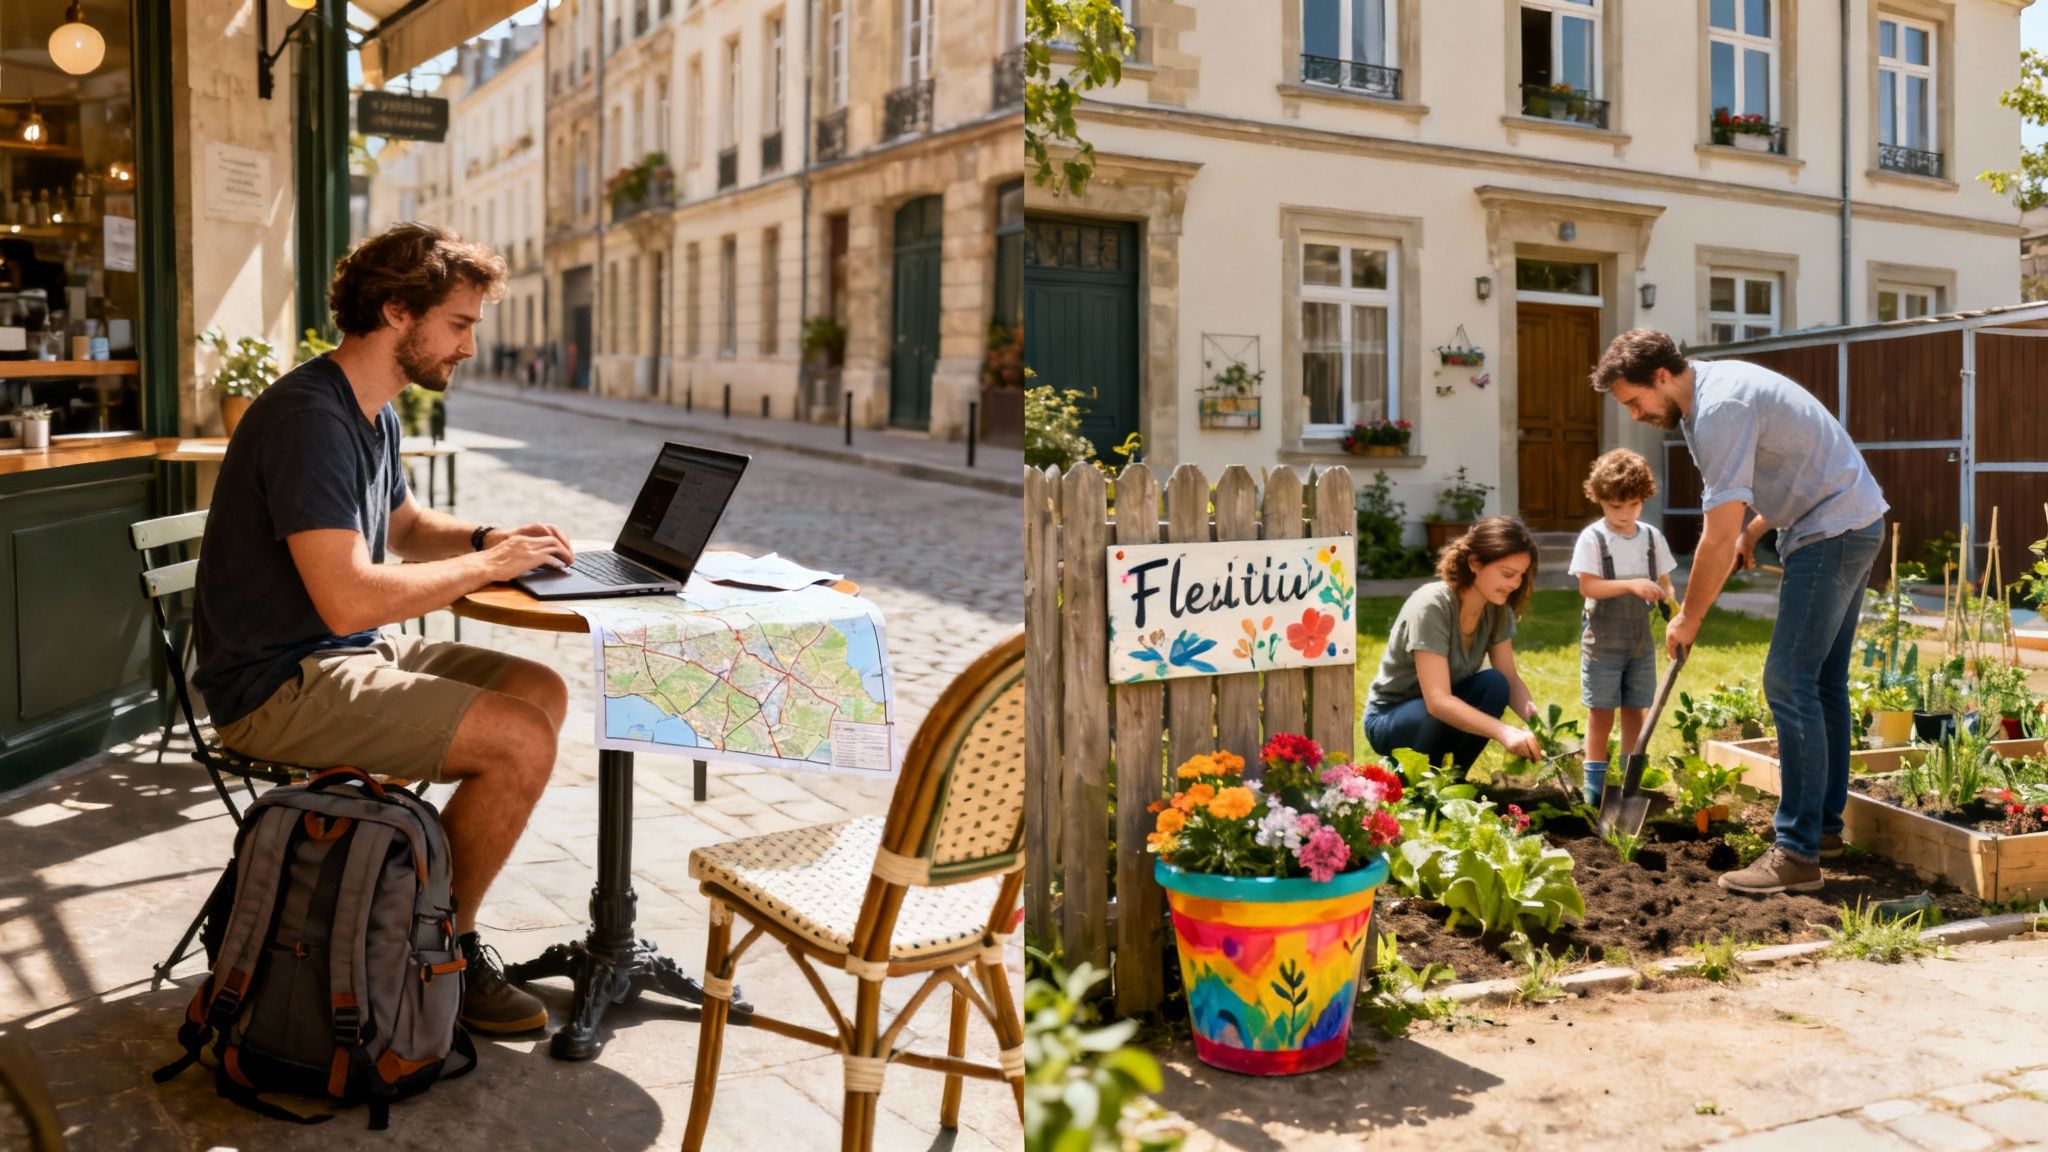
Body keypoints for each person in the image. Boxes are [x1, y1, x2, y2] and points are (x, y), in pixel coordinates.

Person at [192, 222, 578, 1034]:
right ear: (399, 311)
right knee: (519, 739)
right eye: (460, 324)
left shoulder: (371, 410)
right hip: (279, 683)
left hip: (338, 655)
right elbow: (348, 600)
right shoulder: (310, 419)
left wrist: (487, 541)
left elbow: (401, 527)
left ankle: (403, 908)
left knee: (539, 686)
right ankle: (442, 949)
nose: (470, 346)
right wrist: (486, 569)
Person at [1593, 328, 1887, 897]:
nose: (1634, 415)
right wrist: (1760, 524)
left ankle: (1797, 854)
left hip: (1831, 530)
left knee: (1788, 680)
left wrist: (1690, 616)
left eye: (1634, 401)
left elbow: (1715, 534)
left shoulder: (1719, 407)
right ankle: (1822, 830)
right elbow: (1793, 462)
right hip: (1852, 517)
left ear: (1661, 376)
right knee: (1823, 682)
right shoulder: (1715, 387)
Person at [1363, 516, 1546, 771]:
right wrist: (1504, 732)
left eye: (1521, 576)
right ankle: (1412, 785)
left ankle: (1455, 781)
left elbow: (1510, 678)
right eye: (1507, 574)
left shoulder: (1496, 609)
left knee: (1495, 684)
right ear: (1474, 562)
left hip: (1438, 711)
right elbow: (1437, 701)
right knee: (1426, 712)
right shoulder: (1432, 604)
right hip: (1393, 717)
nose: (1515, 584)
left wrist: (1540, 727)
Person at [1569, 448, 1678, 805]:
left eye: (1632, 505)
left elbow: (1665, 583)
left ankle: (1628, 785)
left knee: (1636, 708)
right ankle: (1594, 788)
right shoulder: (1594, 539)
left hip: (1639, 642)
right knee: (1601, 711)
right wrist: (1631, 585)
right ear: (1599, 499)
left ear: (1642, 499)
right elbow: (1589, 587)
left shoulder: (1650, 537)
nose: (1624, 514)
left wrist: (1673, 614)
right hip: (1602, 641)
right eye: (1615, 507)